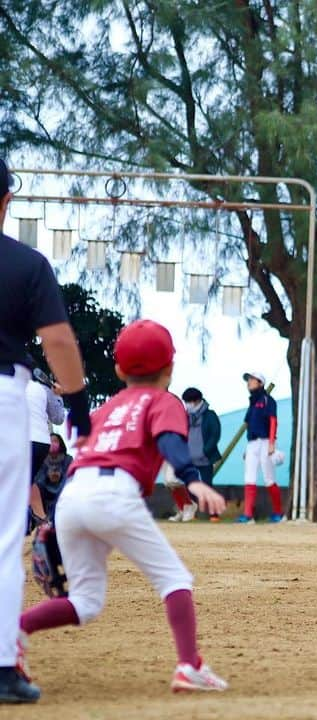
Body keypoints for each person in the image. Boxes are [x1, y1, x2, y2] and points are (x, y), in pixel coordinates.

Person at [19, 319, 229, 693]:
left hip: (73, 494)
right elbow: (169, 441)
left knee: (85, 601)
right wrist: (193, 478)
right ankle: (189, 666)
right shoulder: (164, 401)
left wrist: (54, 520)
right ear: (170, 369)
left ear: (118, 369)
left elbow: (80, 455)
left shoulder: (105, 409)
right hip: (114, 494)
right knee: (175, 579)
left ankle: (14, 632)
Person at [0, 157, 91, 704]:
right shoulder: (25, 263)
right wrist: (77, 406)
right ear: (6, 200)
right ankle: (2, 667)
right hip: (2, 394)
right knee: (4, 536)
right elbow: (57, 340)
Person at [168, 388, 222, 522]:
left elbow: (215, 434)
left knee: (207, 485)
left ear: (197, 401)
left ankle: (214, 514)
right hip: (189, 457)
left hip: (205, 458)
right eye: (186, 402)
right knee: (190, 485)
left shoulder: (210, 415)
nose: (187, 405)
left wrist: (206, 450)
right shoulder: (186, 417)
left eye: (189, 402)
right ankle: (193, 513)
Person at [238, 371, 284, 523]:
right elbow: (250, 425)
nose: (249, 382)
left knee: (269, 478)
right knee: (249, 477)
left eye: (252, 380)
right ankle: (248, 515)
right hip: (252, 443)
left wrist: (272, 443)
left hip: (265, 442)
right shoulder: (252, 403)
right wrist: (247, 447)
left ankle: (278, 513)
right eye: (248, 380)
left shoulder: (267, 400)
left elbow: (273, 421)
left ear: (260, 383)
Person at [27, 369, 67, 526]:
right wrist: (57, 395)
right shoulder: (43, 389)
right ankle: (41, 519)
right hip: (41, 442)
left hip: (18, 440)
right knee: (29, 481)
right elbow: (58, 418)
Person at [31, 433, 72, 524]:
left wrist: (59, 476)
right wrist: (47, 476)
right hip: (44, 489)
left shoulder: (68, 459)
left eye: (55, 441)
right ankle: (42, 518)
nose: (53, 444)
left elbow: (70, 475)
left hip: (62, 488)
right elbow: (38, 477)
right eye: (50, 441)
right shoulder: (42, 458)